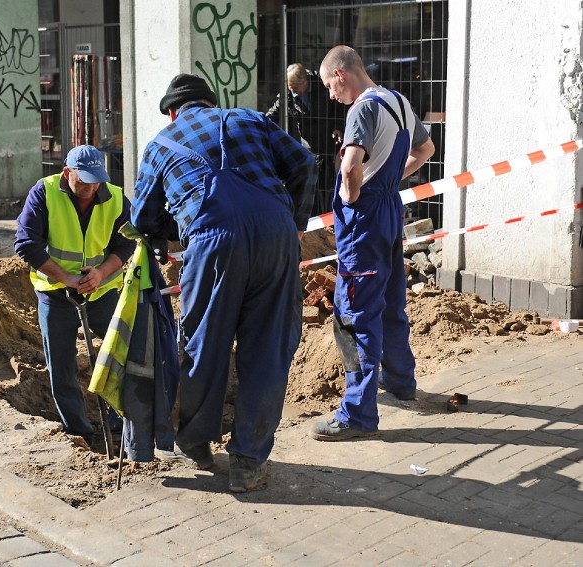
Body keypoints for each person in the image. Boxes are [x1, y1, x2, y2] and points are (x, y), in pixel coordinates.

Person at [131, 73, 317, 492]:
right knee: (268, 347)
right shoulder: (250, 118)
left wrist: (169, 234)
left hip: (213, 242)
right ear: (211, 103)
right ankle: (248, 462)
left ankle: (195, 444)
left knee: (202, 345)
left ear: (174, 111)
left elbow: (141, 218)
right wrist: (295, 223)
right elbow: (305, 162)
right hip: (275, 234)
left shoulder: (161, 144)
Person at [310, 45, 435, 441]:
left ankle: (357, 415)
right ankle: (401, 381)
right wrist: (391, 180)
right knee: (391, 300)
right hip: (388, 212)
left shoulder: (361, 109)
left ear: (341, 74)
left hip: (364, 219)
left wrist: (352, 197)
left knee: (356, 313)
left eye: (330, 85)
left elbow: (349, 167)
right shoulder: (397, 100)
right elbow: (427, 150)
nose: (331, 94)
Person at [14, 145, 135, 444]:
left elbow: (126, 244)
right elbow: (26, 244)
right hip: (55, 293)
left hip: (102, 291)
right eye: (84, 180)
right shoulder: (44, 193)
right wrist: (65, 277)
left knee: (120, 355)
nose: (91, 187)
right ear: (67, 173)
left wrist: (101, 273)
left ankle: (121, 421)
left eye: (97, 180)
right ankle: (79, 431)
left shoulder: (116, 197)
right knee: (62, 365)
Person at [265, 63, 344, 213]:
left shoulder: (323, 85)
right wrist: (260, 124)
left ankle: (330, 215)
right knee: (312, 186)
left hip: (330, 141)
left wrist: (339, 126)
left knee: (330, 185)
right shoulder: (288, 94)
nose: (291, 91)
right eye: (290, 87)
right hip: (309, 145)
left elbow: (339, 107)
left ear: (305, 82)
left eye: (295, 88)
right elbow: (273, 113)